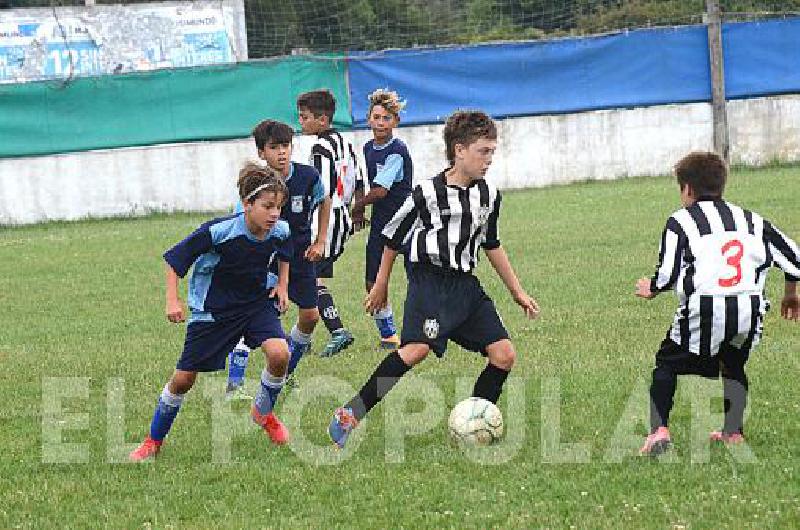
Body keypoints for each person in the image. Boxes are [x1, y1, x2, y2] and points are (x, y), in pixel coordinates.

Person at [327, 110, 540, 448]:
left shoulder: (489, 196)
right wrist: (381, 283)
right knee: (415, 350)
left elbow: (491, 243)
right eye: (482, 151)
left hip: (466, 287)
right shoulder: (425, 193)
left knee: (504, 355)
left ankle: (475, 422)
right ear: (459, 150)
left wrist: (517, 291)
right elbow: (392, 237)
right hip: (428, 281)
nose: (489, 160)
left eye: (492, 152)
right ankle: (350, 413)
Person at [636, 151, 800, 456]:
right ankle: (733, 432)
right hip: (749, 308)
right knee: (733, 363)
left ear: (686, 189)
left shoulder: (679, 220)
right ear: (721, 185)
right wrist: (791, 294)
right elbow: (794, 259)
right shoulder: (751, 219)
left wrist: (652, 288)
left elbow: (669, 272)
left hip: (707, 306)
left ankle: (658, 431)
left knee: (666, 364)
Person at [129, 163, 294, 461]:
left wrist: (282, 284)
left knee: (280, 353)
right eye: (267, 206)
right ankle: (153, 441)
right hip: (213, 310)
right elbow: (175, 260)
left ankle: (263, 413)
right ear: (247, 204)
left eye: (278, 207)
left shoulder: (279, 229)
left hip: (256, 304)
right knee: (184, 379)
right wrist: (172, 301)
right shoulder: (218, 231)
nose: (274, 214)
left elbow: (285, 249)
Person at [225, 120, 330, 406]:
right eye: (274, 148)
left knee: (310, 317)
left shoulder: (308, 176)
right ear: (262, 152)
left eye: (286, 146)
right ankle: (235, 381)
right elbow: (239, 220)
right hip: (266, 262)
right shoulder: (255, 187)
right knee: (254, 318)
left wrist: (320, 239)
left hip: (300, 258)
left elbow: (325, 200)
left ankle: (282, 373)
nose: (282, 153)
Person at [297, 89, 365, 357]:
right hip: (342, 215)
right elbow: (359, 177)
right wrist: (357, 210)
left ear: (322, 120)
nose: (301, 122)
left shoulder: (320, 148)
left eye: (305, 117)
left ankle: (337, 331)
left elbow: (321, 189)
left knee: (308, 279)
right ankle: (305, 336)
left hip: (326, 219)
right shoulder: (343, 142)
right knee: (314, 278)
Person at [351, 88, 413, 350]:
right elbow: (366, 183)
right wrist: (359, 201)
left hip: (406, 220)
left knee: (419, 279)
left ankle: (425, 329)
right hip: (381, 221)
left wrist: (357, 206)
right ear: (368, 119)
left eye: (386, 118)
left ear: (395, 122)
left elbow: (381, 190)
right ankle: (389, 335)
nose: (380, 123)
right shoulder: (367, 148)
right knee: (372, 281)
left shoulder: (397, 151)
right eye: (376, 117)